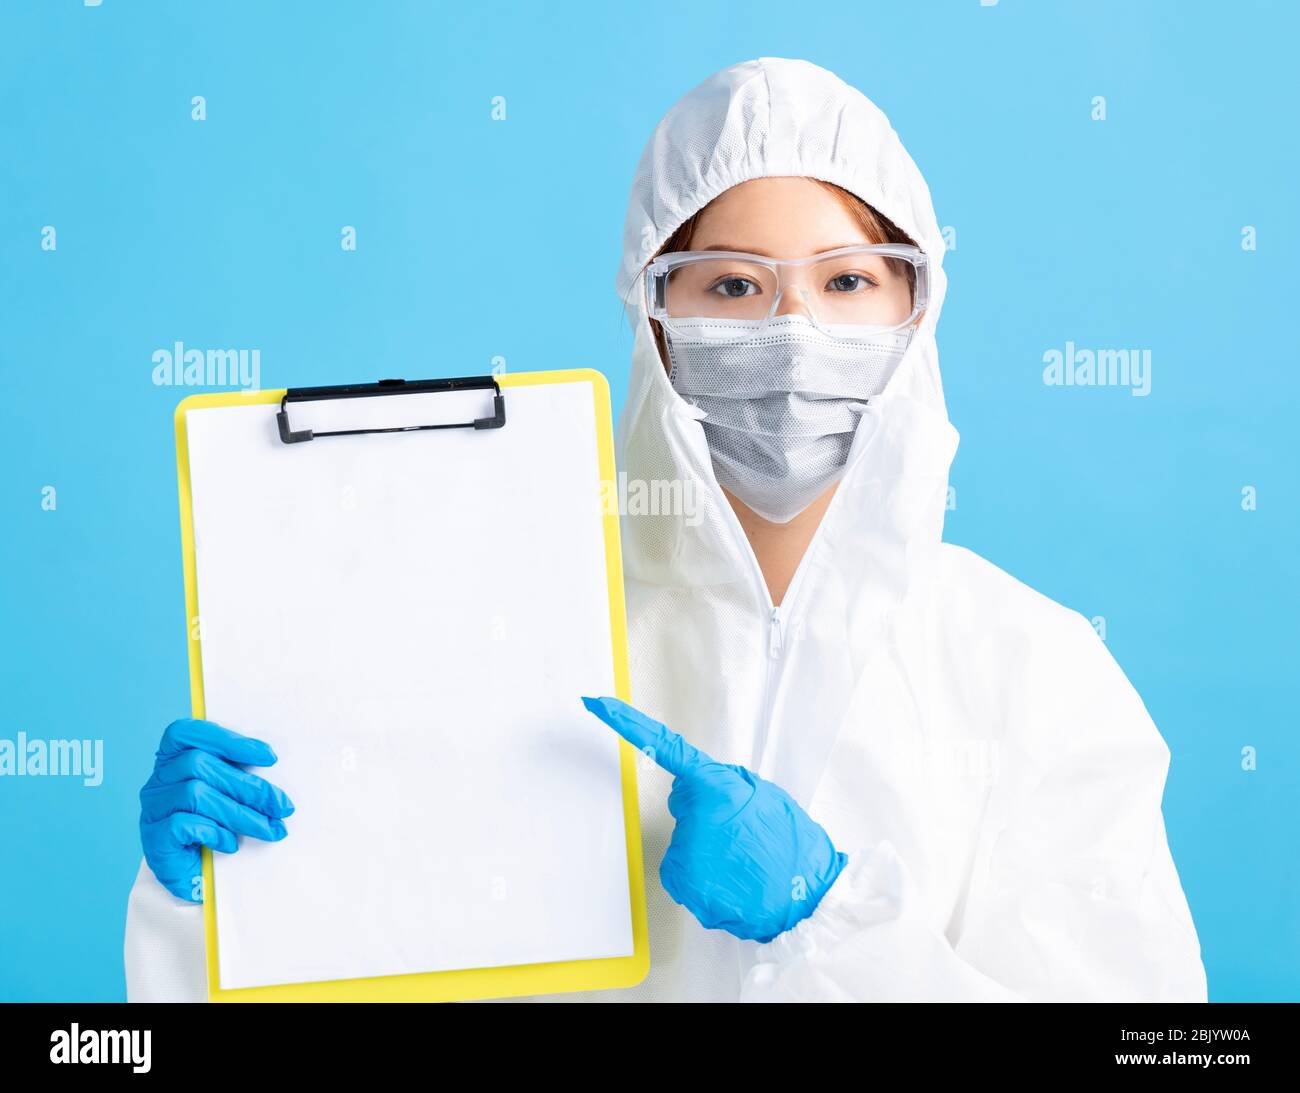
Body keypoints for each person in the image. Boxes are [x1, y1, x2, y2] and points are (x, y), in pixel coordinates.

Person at [124, 57, 1208, 1002]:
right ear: (653, 316)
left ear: (915, 310)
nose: (792, 332)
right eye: (730, 283)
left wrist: (829, 921)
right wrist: (221, 908)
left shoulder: (1030, 669)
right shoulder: (492, 628)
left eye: (846, 280)